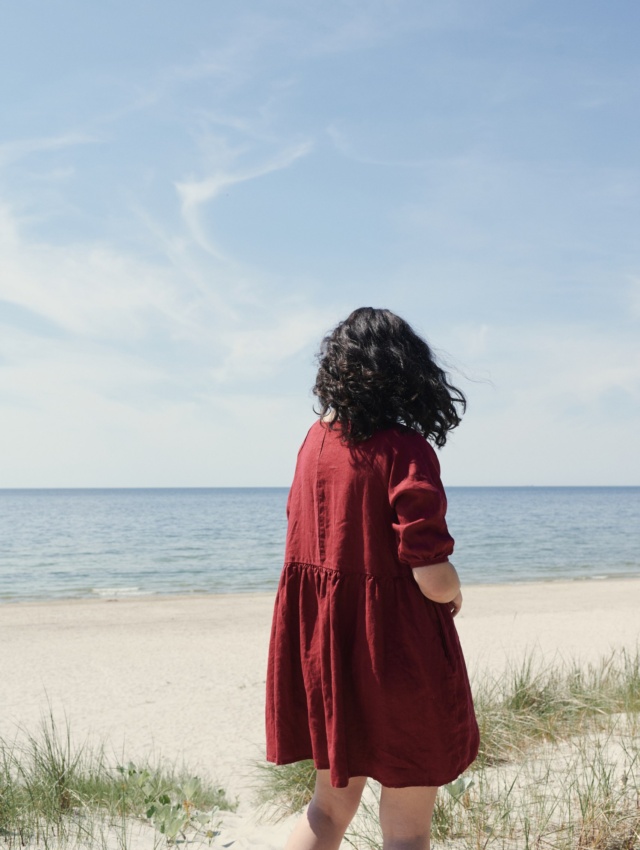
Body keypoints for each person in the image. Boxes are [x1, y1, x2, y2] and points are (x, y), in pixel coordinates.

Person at [266, 307, 479, 850]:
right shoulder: (404, 450)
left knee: (328, 808)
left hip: (328, 653)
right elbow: (430, 572)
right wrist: (454, 591)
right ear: (407, 373)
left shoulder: (314, 442)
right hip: (395, 653)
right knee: (406, 827)